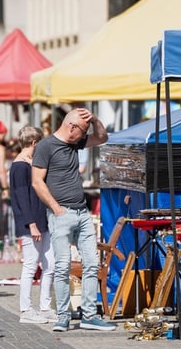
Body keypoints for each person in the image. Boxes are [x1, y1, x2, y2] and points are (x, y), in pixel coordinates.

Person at [32, 107, 115, 332]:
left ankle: (89, 315)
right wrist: (56, 208)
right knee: (62, 266)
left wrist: (95, 119)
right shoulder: (45, 146)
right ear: (72, 128)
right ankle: (63, 316)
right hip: (61, 214)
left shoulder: (75, 142)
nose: (84, 136)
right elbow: (37, 181)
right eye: (83, 130)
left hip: (82, 212)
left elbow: (102, 137)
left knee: (91, 263)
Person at [10, 126, 55, 324]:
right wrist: (31, 224)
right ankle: (26, 309)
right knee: (30, 265)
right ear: (35, 143)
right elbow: (21, 197)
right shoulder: (19, 166)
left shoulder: (29, 164)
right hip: (31, 222)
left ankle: (45, 307)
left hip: (41, 220)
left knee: (50, 264)